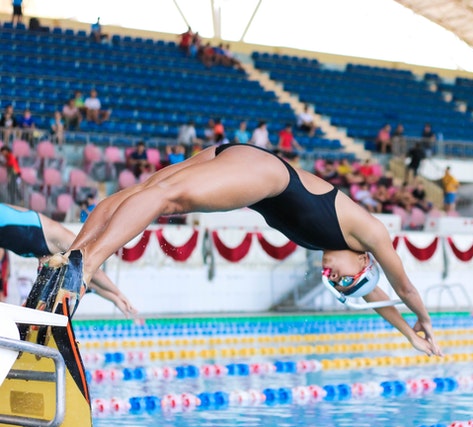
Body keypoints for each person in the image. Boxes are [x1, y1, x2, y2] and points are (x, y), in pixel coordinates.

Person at [39, 144, 441, 356]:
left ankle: (68, 259)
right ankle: (85, 263)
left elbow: (375, 296)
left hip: (243, 162)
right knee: (168, 199)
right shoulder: (370, 231)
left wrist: (407, 334)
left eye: (338, 285)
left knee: (144, 192)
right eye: (347, 279)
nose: (336, 279)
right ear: (364, 261)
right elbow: (401, 288)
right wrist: (425, 321)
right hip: (266, 173)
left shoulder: (342, 250)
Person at [0, 203, 136, 316]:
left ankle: (118, 298)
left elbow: (94, 272)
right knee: (73, 278)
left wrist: (118, 294)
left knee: (82, 274)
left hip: (39, 237)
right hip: (35, 239)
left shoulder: (61, 238)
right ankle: (116, 299)